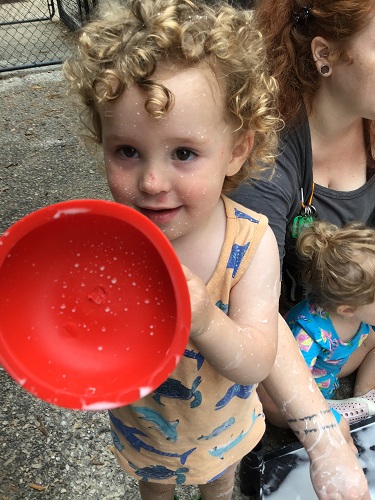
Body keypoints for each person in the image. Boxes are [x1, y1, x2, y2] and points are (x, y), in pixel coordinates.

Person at [64, 1, 370, 498]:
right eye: (126, 151)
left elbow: (255, 360)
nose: (152, 180)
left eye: (184, 153)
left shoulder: (250, 244)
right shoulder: (109, 242)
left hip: (224, 432)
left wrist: (204, 317)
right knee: (155, 489)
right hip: (145, 430)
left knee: (219, 487)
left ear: (237, 150)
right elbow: (80, 335)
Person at [230, 0, 375, 425]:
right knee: (271, 402)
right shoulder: (269, 160)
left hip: (364, 306)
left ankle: (366, 402)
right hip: (302, 328)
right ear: (324, 53)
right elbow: (249, 309)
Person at [286, 221, 375, 424]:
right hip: (305, 384)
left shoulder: (356, 315)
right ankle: (331, 411)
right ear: (348, 310)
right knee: (281, 410)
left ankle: (364, 397)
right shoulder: (308, 334)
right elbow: (294, 389)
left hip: (330, 368)